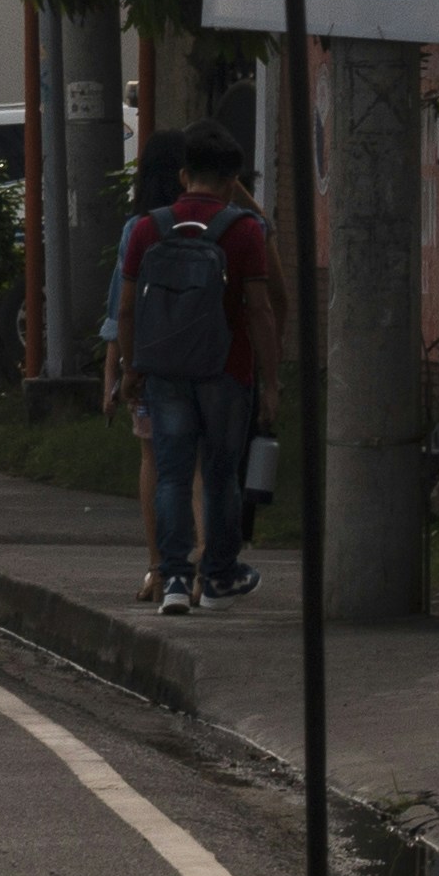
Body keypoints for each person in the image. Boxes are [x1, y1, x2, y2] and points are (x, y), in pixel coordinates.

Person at [108, 125, 284, 615]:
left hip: (164, 371)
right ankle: (221, 576)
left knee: (171, 475)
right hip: (228, 372)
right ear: (232, 182)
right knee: (222, 475)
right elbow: (261, 311)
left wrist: (130, 368)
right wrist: (272, 383)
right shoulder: (244, 230)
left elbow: (125, 309)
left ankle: (174, 581)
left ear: (184, 176)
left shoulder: (148, 227)